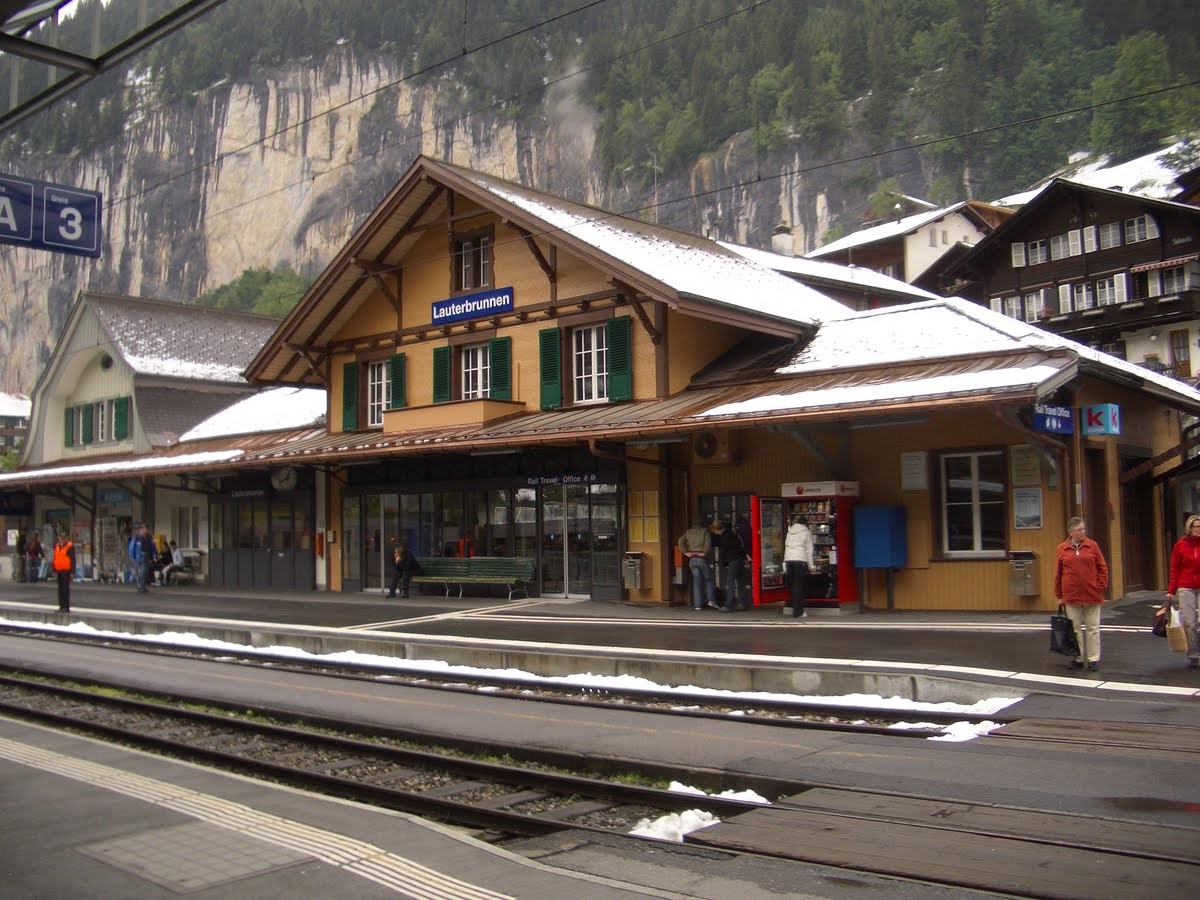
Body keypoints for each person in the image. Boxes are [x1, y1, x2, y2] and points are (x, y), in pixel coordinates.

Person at [1053, 516, 1108, 671]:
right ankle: (1078, 657)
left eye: (1083, 529)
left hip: (1092, 594)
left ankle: (1093, 658)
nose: (1083, 532)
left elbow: (1102, 568)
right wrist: (1059, 595)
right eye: (1079, 530)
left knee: (1093, 628)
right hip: (1071, 595)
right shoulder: (1062, 548)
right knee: (1075, 629)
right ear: (1071, 532)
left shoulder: (1092, 546)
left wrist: (1100, 586)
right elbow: (1058, 573)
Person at [1165, 514, 1200, 669]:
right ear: (1189, 528)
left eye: (1199, 527)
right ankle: (1194, 654)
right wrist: (1171, 590)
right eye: (1195, 526)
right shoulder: (1180, 545)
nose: (1198, 529)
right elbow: (1175, 568)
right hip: (1186, 586)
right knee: (1190, 622)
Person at [677, 516, 716, 610]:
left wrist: (686, 552)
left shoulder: (688, 532)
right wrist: (704, 552)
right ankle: (711, 600)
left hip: (692, 559)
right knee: (708, 579)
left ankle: (698, 605)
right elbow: (708, 543)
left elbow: (680, 541)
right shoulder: (705, 532)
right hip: (701, 558)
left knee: (697, 582)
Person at [711, 518, 748, 611]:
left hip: (733, 560)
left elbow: (723, 552)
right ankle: (743, 603)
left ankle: (729, 605)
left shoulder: (724, 536)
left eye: (714, 531)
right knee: (741, 582)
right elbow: (739, 546)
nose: (715, 533)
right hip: (740, 559)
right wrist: (745, 557)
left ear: (717, 529)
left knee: (730, 582)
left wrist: (721, 563)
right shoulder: (732, 533)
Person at [783, 513, 814, 619]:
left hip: (788, 560)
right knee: (798, 586)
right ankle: (798, 611)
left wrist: (784, 562)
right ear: (805, 524)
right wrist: (811, 566)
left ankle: (794, 608)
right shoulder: (806, 532)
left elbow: (786, 546)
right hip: (800, 560)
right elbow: (809, 550)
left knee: (792, 586)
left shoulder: (790, 532)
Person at [51, 531, 75, 613]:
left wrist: (72, 572)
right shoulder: (57, 546)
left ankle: (66, 607)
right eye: (61, 538)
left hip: (66, 570)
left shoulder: (69, 547)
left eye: (64, 538)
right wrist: (54, 569)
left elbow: (72, 560)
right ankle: (61, 606)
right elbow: (55, 558)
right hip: (59, 570)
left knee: (65, 589)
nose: (62, 539)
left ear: (66, 539)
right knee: (60, 589)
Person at [130, 525, 156, 593]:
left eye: (148, 529)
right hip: (140, 555)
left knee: (145, 572)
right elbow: (132, 547)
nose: (147, 530)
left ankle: (143, 586)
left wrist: (156, 553)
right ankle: (140, 586)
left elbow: (153, 546)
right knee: (142, 572)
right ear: (142, 529)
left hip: (147, 555)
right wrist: (132, 556)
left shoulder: (149, 537)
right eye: (146, 529)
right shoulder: (137, 537)